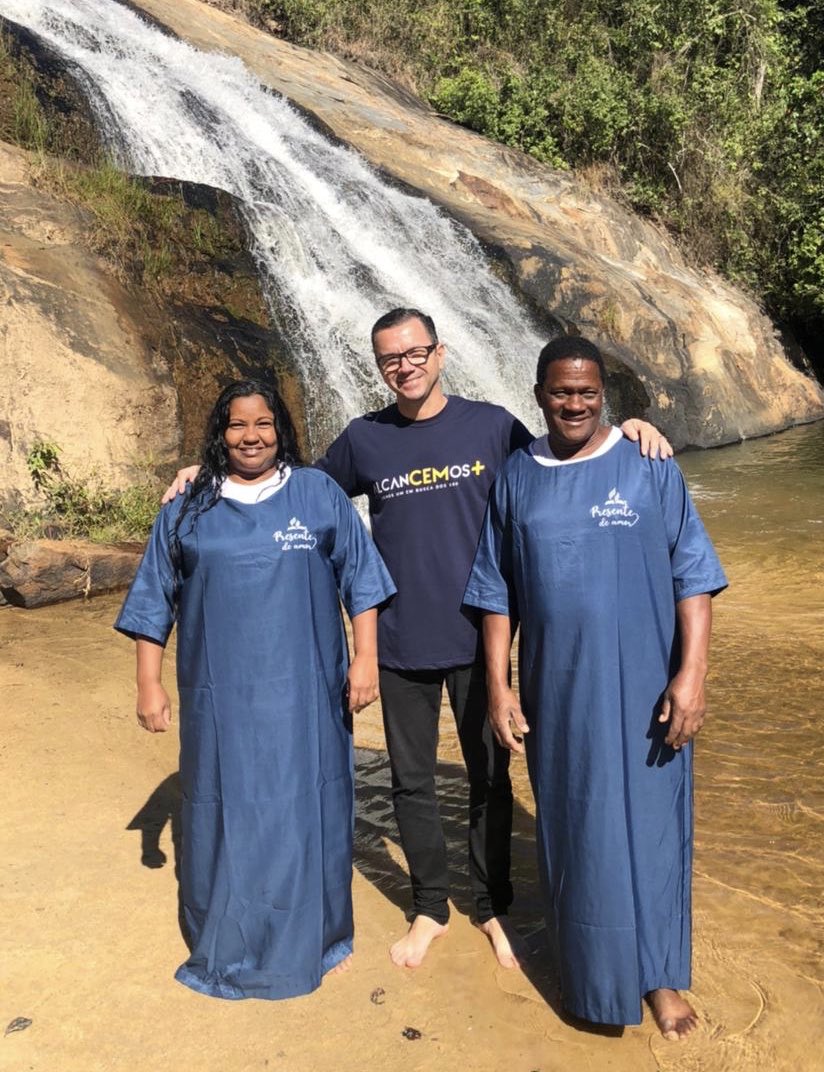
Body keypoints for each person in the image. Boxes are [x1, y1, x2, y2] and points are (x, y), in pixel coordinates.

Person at [164, 310, 671, 971]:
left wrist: (630, 429)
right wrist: (204, 473)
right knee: (412, 784)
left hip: (481, 639)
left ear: (439, 353)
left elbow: (563, 460)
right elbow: (294, 490)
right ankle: (431, 907)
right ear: (380, 367)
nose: (404, 366)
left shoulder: (493, 427)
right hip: (400, 642)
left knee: (490, 780)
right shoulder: (364, 438)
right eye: (390, 359)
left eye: (415, 353)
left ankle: (491, 907)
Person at [464, 336, 727, 1039]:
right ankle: (594, 975)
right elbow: (496, 593)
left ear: (603, 392)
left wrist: (692, 675)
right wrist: (500, 688)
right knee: (579, 828)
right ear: (539, 395)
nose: (574, 403)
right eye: (560, 391)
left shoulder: (648, 462)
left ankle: (660, 977)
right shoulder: (517, 477)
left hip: (649, 690)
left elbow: (694, 576)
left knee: (653, 828)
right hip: (559, 692)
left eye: (586, 391)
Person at [116, 380, 395, 1000]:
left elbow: (361, 582)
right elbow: (154, 599)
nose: (251, 436)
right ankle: (232, 937)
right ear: (220, 432)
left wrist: (366, 659)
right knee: (225, 807)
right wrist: (148, 684)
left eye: (263, 423)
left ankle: (320, 937)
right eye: (237, 425)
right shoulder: (189, 507)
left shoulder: (317, 493)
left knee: (308, 806)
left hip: (308, 698)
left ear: (281, 428)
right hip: (221, 701)